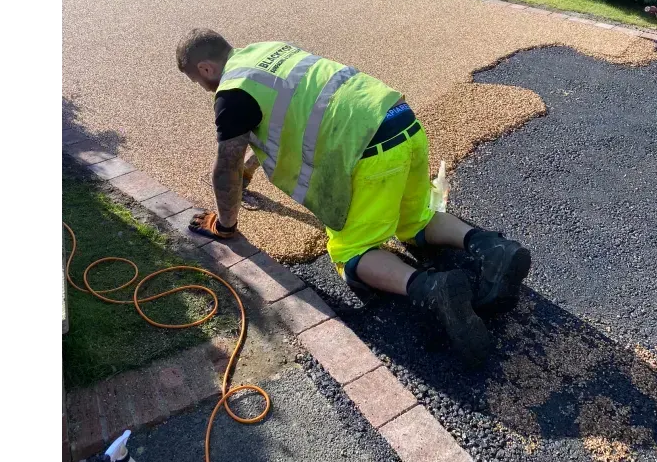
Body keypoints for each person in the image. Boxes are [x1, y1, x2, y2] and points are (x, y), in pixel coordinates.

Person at [176, 29, 531, 366]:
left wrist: (225, 224)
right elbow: (288, 115)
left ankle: (431, 288)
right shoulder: (267, 51)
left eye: (198, 81)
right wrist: (251, 171)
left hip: (368, 150)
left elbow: (226, 166)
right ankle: (492, 247)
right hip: (400, 120)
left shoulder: (232, 94)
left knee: (350, 251)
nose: (204, 87)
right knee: (415, 219)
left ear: (205, 68)